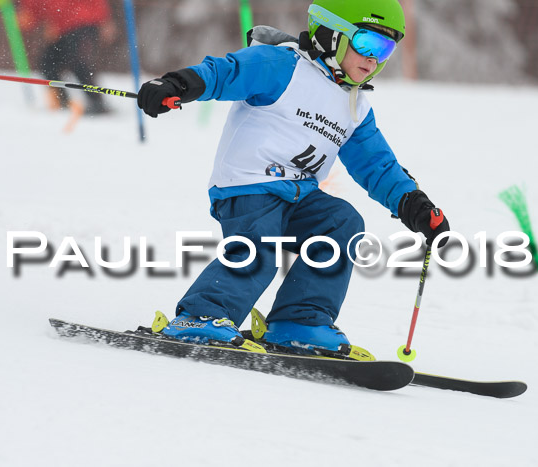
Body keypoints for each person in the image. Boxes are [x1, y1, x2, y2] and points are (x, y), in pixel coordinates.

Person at [137, 0, 450, 355]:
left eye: (386, 50)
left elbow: (376, 164)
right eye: (368, 44)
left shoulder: (355, 105)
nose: (374, 59)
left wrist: (414, 204)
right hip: (248, 184)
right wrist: (176, 84)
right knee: (259, 246)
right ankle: (201, 316)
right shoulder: (283, 65)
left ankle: (299, 321)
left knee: (341, 223)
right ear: (332, 34)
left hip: (299, 195)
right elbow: (226, 72)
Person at [18, 0, 116, 115]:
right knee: (47, 62)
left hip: (83, 22)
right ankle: (61, 100)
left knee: (77, 61)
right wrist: (28, 18)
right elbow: (35, 10)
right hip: (62, 29)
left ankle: (97, 102)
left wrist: (105, 20)